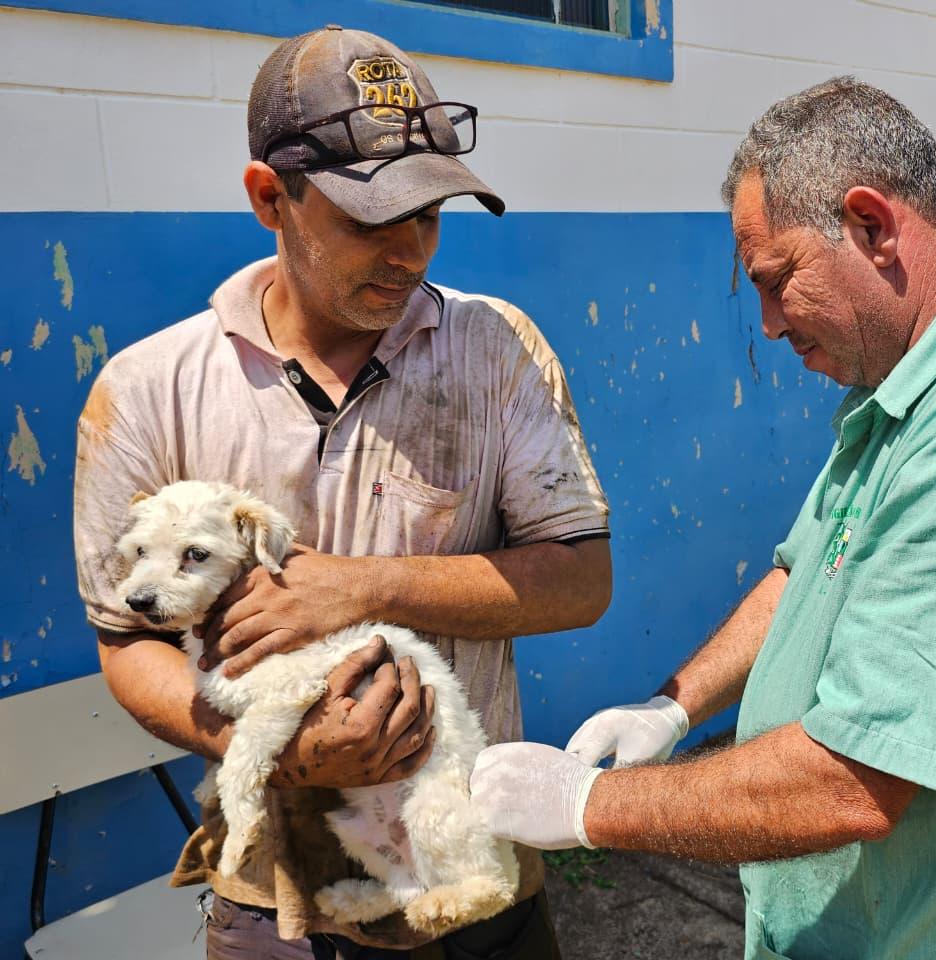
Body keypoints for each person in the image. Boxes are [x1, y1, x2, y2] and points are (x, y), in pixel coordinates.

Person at [470, 76, 936, 959]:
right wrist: (673, 706)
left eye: (777, 282)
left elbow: (854, 781)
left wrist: (587, 807)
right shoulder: (915, 390)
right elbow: (807, 572)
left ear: (872, 227)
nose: (769, 325)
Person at [72, 25, 611, 960]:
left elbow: (581, 580)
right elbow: (128, 644)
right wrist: (281, 751)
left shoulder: (495, 352)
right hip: (272, 898)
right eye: (368, 220)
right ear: (269, 198)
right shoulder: (150, 390)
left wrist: (362, 587)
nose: (409, 254)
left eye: (429, 217)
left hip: (466, 864)